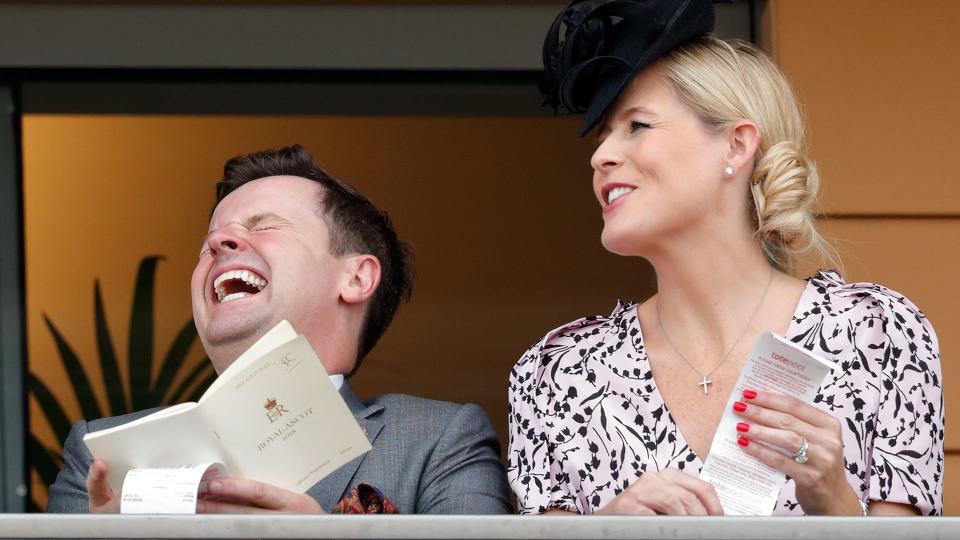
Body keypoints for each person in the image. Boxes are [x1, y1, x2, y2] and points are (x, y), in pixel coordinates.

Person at [508, 0, 942, 517]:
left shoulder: (878, 336)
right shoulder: (557, 375)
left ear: (736, 147)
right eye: (601, 139)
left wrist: (834, 500)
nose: (601, 157)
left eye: (637, 126)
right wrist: (605, 530)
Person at [47, 145, 512, 514]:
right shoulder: (98, 455)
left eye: (263, 226)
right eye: (209, 241)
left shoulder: (438, 439)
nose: (216, 243)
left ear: (356, 278)